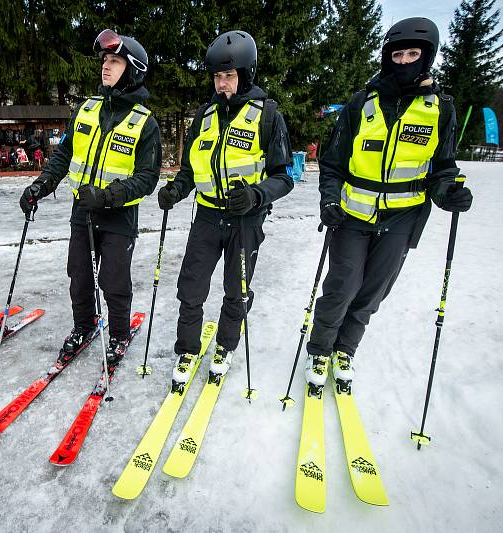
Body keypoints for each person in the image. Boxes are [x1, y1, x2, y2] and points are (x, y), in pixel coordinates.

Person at [304, 17, 474, 390]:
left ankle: (345, 349)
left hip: (402, 219)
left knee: (373, 290)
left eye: (413, 54)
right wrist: (330, 200)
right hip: (352, 214)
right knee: (343, 285)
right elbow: (332, 162)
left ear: (426, 57)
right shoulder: (361, 103)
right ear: (387, 57)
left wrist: (450, 193)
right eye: (397, 54)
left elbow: (442, 168)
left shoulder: (440, 109)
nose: (404, 61)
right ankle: (319, 351)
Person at [158, 30, 294, 390]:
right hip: (206, 216)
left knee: (237, 288)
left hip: (245, 219)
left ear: (246, 75)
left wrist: (256, 195)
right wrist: (176, 189)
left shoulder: (267, 116)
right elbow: (191, 170)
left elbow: (284, 177)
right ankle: (188, 349)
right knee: (191, 286)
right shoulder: (203, 116)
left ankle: (225, 345)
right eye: (217, 76)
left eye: (229, 76)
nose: (222, 84)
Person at [19, 30, 161, 364]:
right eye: (105, 61)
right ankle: (84, 325)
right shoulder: (85, 109)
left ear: (133, 69)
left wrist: (109, 196)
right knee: (79, 276)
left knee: (113, 281)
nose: (106, 67)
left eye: (115, 61)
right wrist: (41, 185)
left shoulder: (145, 123)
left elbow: (147, 178)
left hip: (118, 216)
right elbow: (63, 155)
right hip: (82, 210)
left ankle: (119, 334)